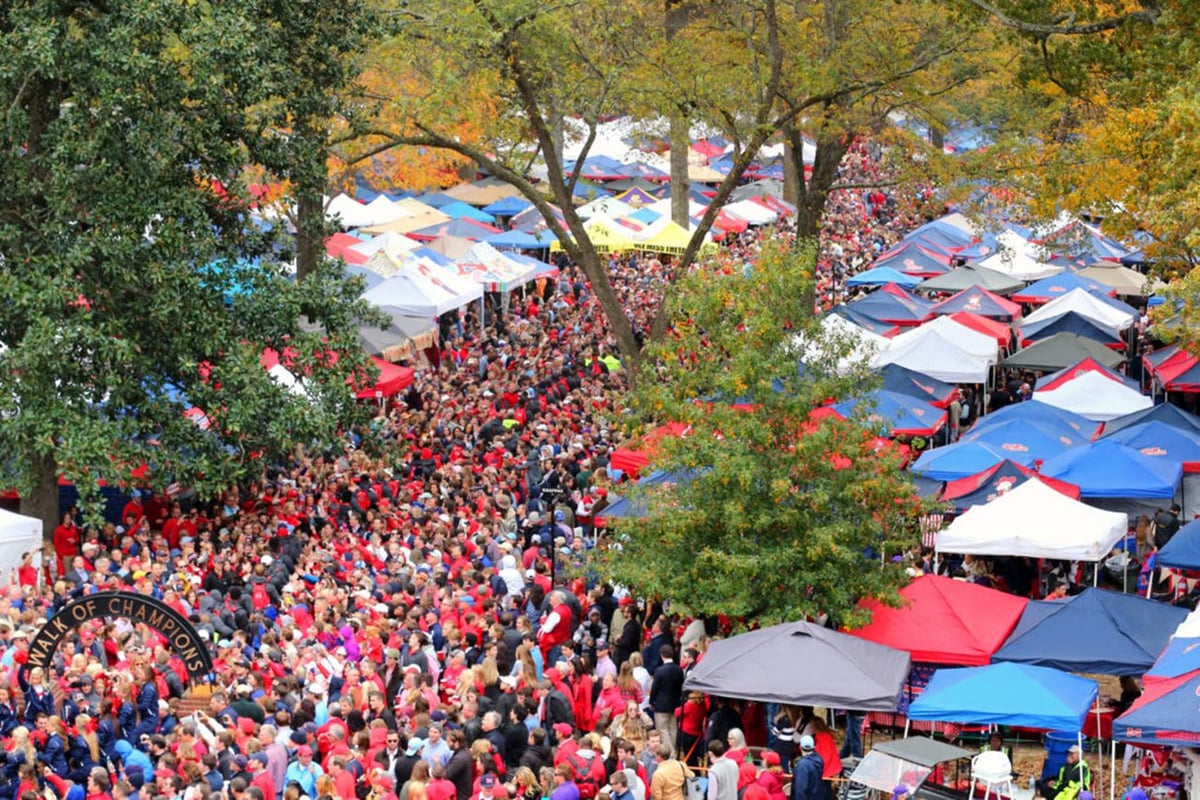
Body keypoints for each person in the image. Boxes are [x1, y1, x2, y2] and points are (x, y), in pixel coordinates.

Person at [648, 646, 684, 753]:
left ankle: (671, 753)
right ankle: (673, 751)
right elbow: (680, 687)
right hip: (675, 703)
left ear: (662, 655)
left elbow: (655, 688)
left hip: (661, 705)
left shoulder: (659, 671)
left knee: (662, 730)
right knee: (673, 729)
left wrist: (651, 701)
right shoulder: (679, 670)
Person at [790, 736, 824, 800]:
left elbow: (800, 789)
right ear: (814, 747)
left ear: (800, 747)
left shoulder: (803, 765)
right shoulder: (819, 760)